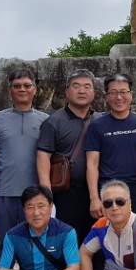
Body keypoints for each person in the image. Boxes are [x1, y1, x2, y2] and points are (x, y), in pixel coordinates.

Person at [0, 68, 48, 255]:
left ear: (35, 89)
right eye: (17, 86)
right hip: (5, 192)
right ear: (10, 90)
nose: (22, 89)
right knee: (5, 243)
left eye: (27, 85)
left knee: (34, 245)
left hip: (36, 194)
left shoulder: (46, 121)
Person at [37, 68, 100, 247]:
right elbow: (43, 157)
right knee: (66, 243)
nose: (82, 91)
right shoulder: (53, 121)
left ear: (94, 93)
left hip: (96, 193)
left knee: (94, 244)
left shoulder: (100, 120)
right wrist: (46, 194)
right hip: (65, 194)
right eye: (76, 86)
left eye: (87, 86)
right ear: (67, 91)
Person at [85, 73, 136, 218]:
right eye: (113, 93)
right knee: (108, 232)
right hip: (109, 192)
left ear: (131, 94)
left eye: (123, 92)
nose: (119, 97)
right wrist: (94, 198)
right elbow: (92, 164)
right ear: (106, 96)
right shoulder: (96, 126)